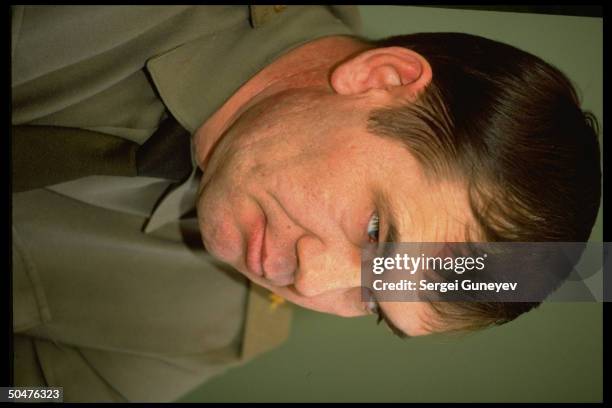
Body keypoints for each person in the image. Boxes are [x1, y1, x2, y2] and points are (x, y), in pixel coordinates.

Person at [11, 5, 601, 402]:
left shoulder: (197, 331)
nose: (311, 284)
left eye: (373, 298)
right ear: (382, 78)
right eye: (376, 230)